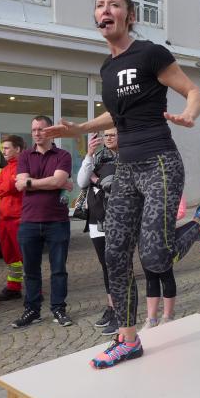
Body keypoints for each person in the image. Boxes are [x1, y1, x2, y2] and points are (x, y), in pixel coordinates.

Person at [43, 0, 200, 369]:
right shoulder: (106, 68)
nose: (105, 10)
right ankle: (128, 339)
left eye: (114, 4)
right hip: (126, 168)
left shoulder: (150, 53)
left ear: (130, 15)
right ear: (96, 18)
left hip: (160, 163)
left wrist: (190, 114)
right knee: (115, 252)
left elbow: (192, 90)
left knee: (155, 256)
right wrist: (80, 129)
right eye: (100, 5)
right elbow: (115, 115)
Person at [10, 116, 74, 329]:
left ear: (51, 131)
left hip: (57, 221)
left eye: (41, 129)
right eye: (34, 130)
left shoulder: (63, 155)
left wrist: (32, 182)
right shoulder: (25, 155)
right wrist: (53, 183)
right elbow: (21, 184)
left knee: (58, 269)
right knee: (30, 270)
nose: (36, 133)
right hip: (29, 221)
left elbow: (58, 180)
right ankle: (32, 310)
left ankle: (59, 309)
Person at [76, 129, 119, 335]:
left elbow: (118, 186)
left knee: (118, 266)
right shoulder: (98, 157)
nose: (108, 138)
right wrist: (89, 155)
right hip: (96, 219)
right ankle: (111, 307)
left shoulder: (128, 156)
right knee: (106, 266)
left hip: (118, 220)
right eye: (106, 135)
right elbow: (81, 181)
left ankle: (121, 310)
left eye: (113, 134)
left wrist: (97, 180)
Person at [0, 135, 25, 303]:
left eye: (6, 148)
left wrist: (6, 187)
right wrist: (8, 186)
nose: (3, 151)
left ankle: (35, 289)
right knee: (10, 255)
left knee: (25, 255)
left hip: (19, 218)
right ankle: (13, 287)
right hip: (4, 219)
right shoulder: (5, 170)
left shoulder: (23, 167)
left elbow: (12, 186)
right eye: (2, 148)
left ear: (17, 149)